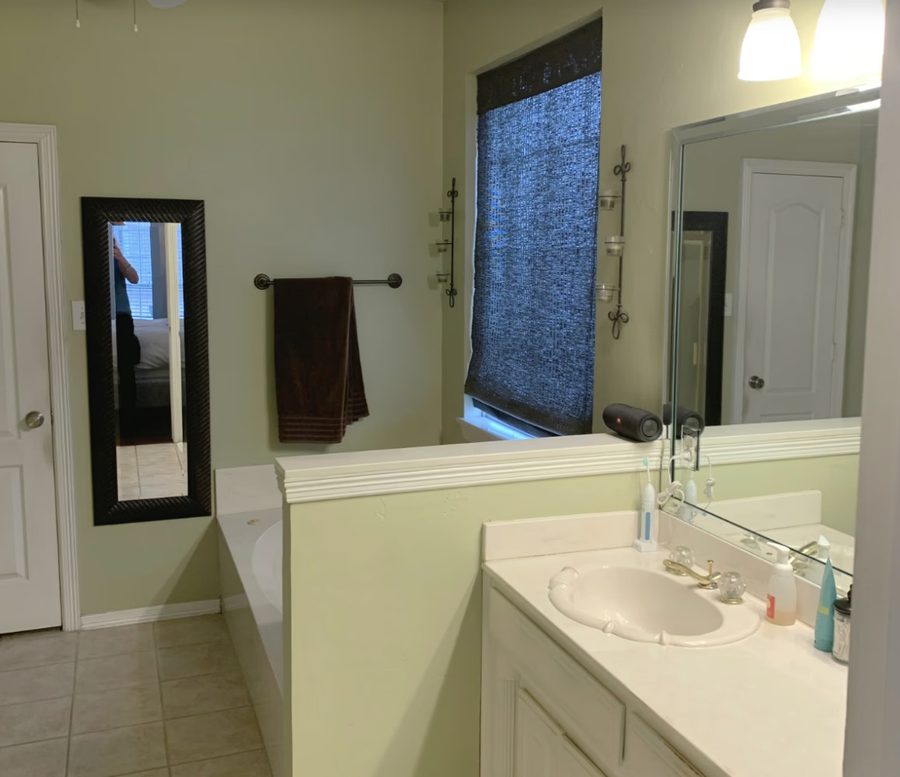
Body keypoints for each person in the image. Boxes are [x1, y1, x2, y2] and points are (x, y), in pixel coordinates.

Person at [113, 232, 141, 440]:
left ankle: (130, 424)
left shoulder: (118, 259)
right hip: (104, 317)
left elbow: (134, 278)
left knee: (127, 370)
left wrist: (120, 258)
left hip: (123, 316)